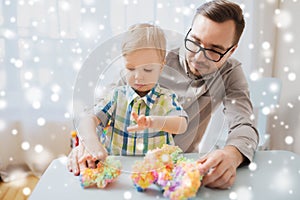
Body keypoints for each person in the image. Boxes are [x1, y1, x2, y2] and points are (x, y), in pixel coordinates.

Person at [68, 0, 259, 189]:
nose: (199, 57)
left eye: (214, 50)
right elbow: (102, 105)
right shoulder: (155, 53)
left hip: (175, 169)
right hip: (122, 164)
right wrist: (88, 141)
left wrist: (232, 155)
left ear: (232, 50)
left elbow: (244, 124)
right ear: (189, 31)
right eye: (195, 41)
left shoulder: (230, 73)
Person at [72, 23, 188, 166]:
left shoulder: (166, 98)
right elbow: (87, 119)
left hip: (155, 172)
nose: (138, 77)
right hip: (117, 170)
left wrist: (153, 122)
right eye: (131, 68)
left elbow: (182, 125)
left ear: (161, 66)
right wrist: (92, 143)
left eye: (147, 69)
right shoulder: (116, 96)